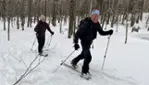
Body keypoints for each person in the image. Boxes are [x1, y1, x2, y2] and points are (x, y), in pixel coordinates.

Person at [71, 9, 113, 78]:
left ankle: (74, 61)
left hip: (89, 42)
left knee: (83, 54)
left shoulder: (97, 24)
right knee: (88, 57)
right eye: (94, 16)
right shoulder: (86, 23)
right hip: (84, 41)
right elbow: (77, 33)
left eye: (97, 16)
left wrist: (108, 32)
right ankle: (84, 72)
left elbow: (101, 32)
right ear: (91, 16)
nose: (96, 18)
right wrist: (76, 43)